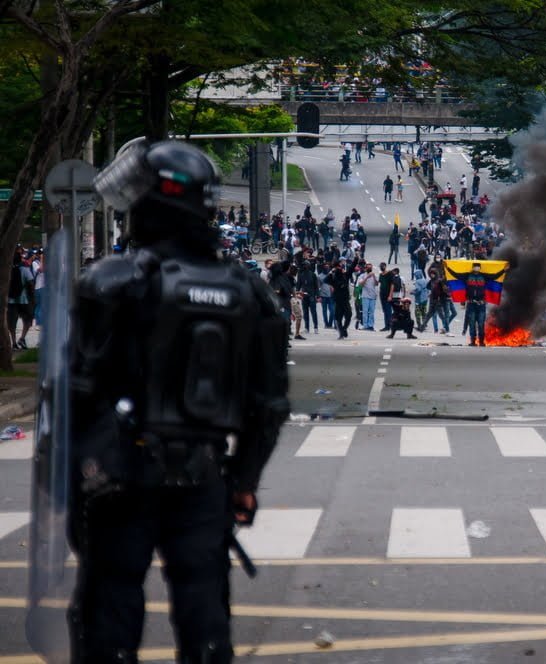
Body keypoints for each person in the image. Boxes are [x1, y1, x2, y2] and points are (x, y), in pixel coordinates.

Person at [69, 141, 289, 663]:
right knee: (206, 621)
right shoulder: (249, 293)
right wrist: (244, 482)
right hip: (202, 480)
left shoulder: (112, 282)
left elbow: (78, 393)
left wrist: (77, 476)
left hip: (118, 481)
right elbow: (269, 406)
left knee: (108, 620)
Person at [328, 261, 352, 338]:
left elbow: (351, 268)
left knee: (349, 315)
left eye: (340, 267)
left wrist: (356, 258)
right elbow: (325, 280)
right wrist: (331, 272)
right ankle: (341, 333)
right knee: (338, 318)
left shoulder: (345, 276)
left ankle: (344, 329)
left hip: (345, 300)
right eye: (338, 267)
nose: (340, 269)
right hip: (338, 300)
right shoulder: (333, 277)